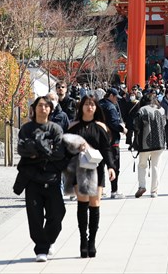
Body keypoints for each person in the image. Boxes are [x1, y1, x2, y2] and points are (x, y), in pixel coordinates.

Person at [15, 95, 69, 262]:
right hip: (32, 180)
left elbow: (59, 153)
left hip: (52, 179)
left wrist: (37, 150)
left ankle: (48, 240)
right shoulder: (26, 128)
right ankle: (41, 249)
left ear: (50, 109)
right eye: (40, 105)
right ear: (34, 108)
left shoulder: (55, 129)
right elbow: (22, 149)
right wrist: (44, 150)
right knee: (35, 216)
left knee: (58, 213)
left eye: (46, 106)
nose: (43, 108)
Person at [66, 94, 117, 257]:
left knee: (95, 204)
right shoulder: (73, 126)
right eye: (86, 104)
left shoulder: (100, 127)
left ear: (96, 108)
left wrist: (111, 167)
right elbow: (66, 149)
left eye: (92, 105)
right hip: (79, 169)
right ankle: (83, 240)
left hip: (96, 169)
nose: (90, 107)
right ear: (81, 107)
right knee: (82, 204)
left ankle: (92, 242)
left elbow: (106, 148)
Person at [132, 92, 168, 197]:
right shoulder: (161, 110)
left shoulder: (142, 110)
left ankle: (142, 186)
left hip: (145, 142)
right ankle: (154, 191)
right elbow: (164, 124)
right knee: (156, 166)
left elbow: (136, 125)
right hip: (160, 142)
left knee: (142, 165)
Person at [98, 88, 125, 198]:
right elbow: (114, 123)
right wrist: (123, 129)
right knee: (113, 166)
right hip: (112, 141)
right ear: (111, 96)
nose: (116, 100)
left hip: (98, 140)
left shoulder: (98, 105)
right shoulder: (111, 107)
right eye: (115, 98)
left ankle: (100, 190)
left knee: (99, 167)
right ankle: (114, 191)